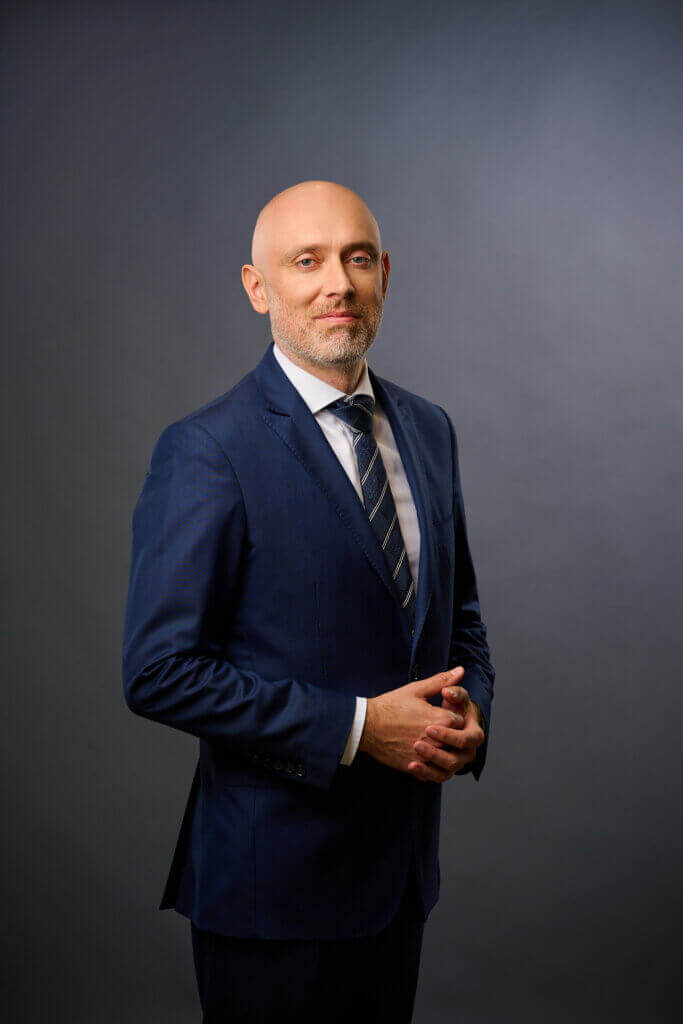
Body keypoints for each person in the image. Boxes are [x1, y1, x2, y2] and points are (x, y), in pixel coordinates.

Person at [122, 179, 495, 1022]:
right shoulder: (208, 449)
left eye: (357, 258)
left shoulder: (428, 429)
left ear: (384, 275)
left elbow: (458, 613)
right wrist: (359, 727)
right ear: (260, 288)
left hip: (398, 881)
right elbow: (159, 671)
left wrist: (470, 721)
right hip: (271, 897)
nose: (338, 283)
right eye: (307, 261)